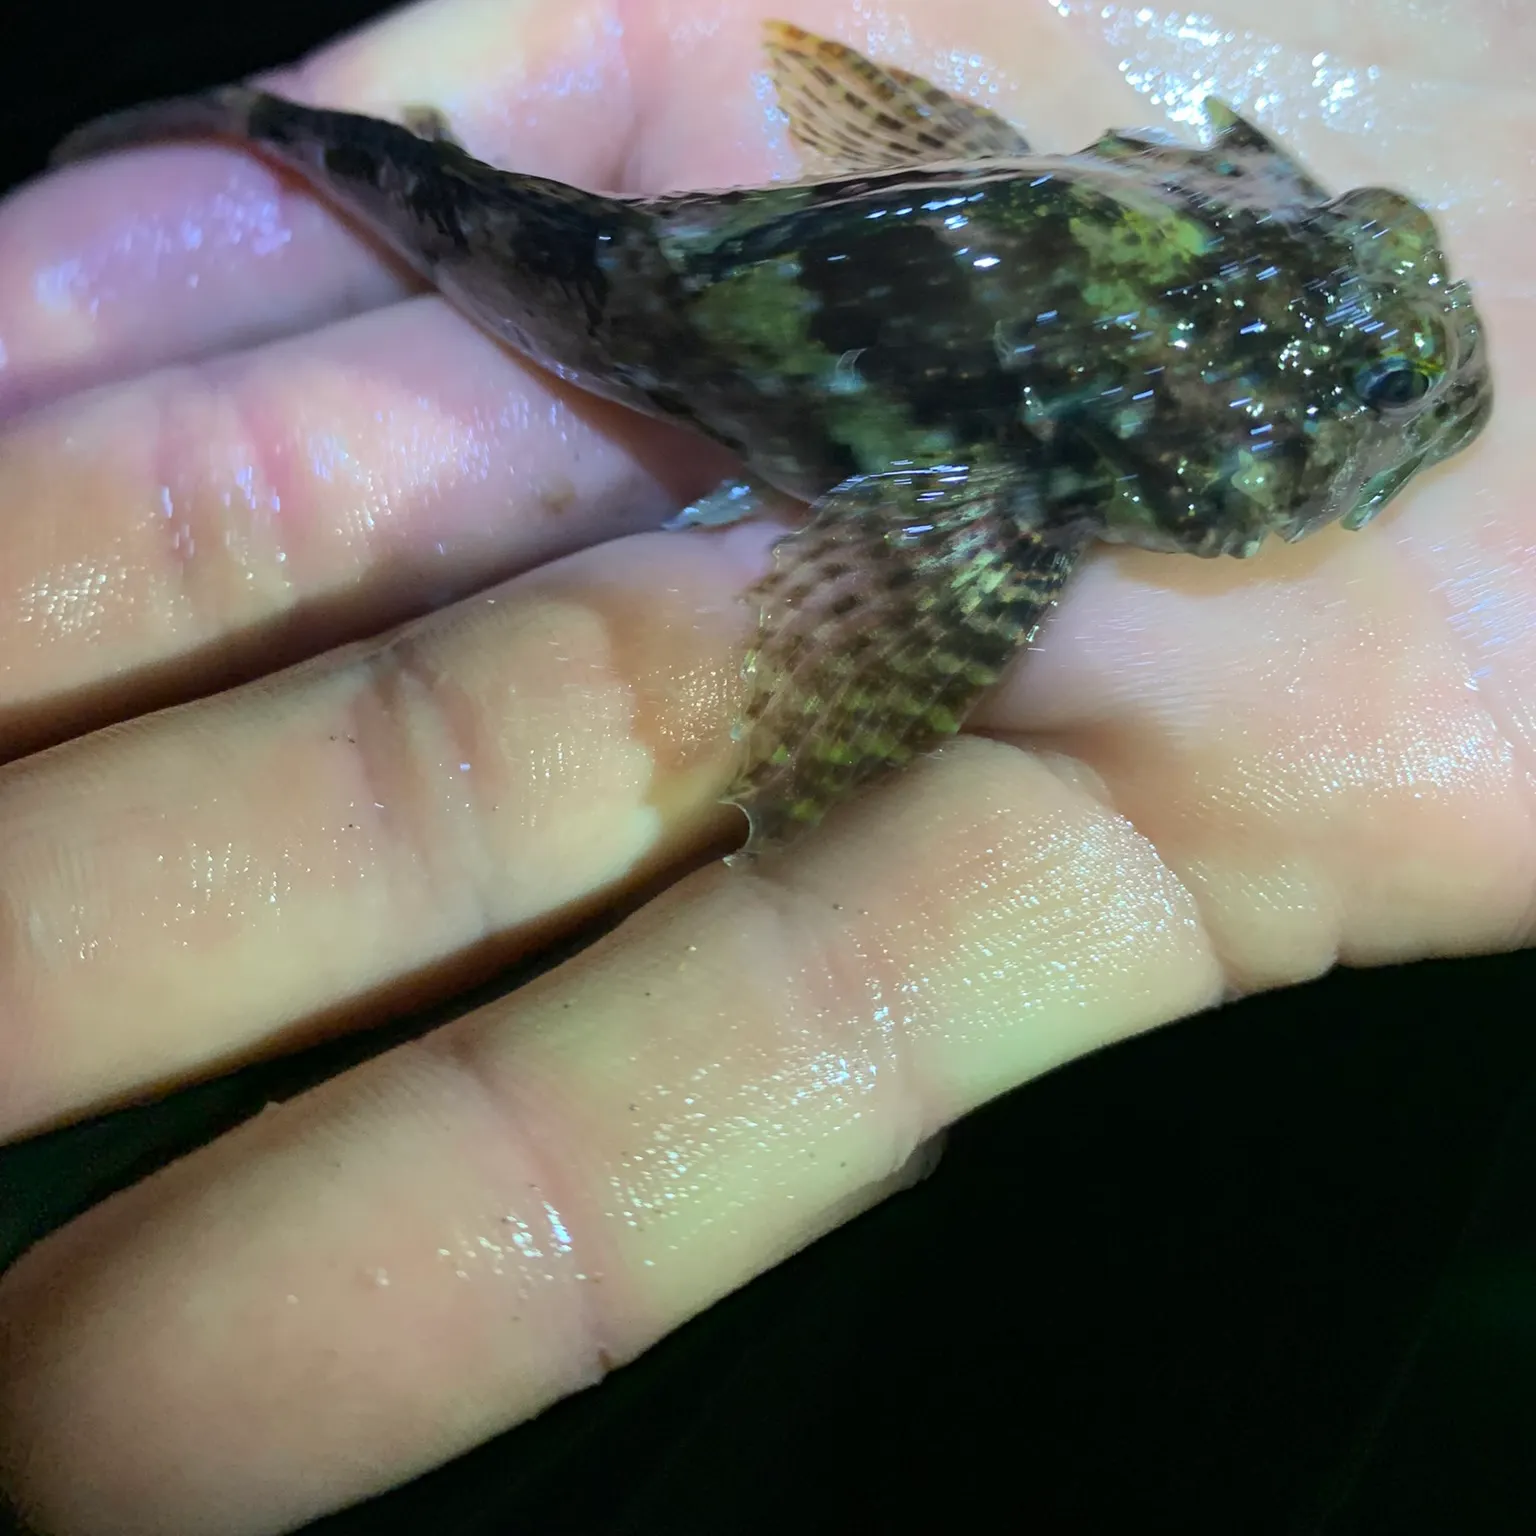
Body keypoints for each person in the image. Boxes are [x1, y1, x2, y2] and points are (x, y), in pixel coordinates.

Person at [0, 0, 1525, 1530]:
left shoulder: (1082, 263)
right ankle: (259, 126)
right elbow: (892, 609)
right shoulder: (1008, 490)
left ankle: (266, 125)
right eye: (1355, 413)